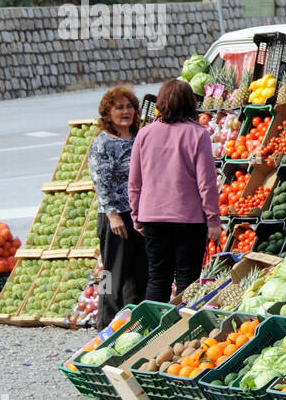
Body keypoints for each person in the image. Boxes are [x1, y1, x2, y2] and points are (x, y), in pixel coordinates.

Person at [128, 79, 222, 303]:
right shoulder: (198, 135)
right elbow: (206, 183)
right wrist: (213, 221)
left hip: (152, 217)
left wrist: (136, 216)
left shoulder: (145, 134)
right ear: (191, 104)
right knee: (187, 280)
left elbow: (134, 182)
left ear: (161, 103)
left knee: (157, 278)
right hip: (188, 220)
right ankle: (180, 330)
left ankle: (153, 330)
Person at [88, 87, 149, 329]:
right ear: (108, 113)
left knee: (138, 272)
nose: (126, 112)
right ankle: (105, 325)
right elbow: (100, 182)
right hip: (115, 216)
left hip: (138, 213)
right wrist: (113, 214)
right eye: (119, 108)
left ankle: (134, 324)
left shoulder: (138, 138)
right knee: (112, 275)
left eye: (129, 107)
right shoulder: (103, 143)